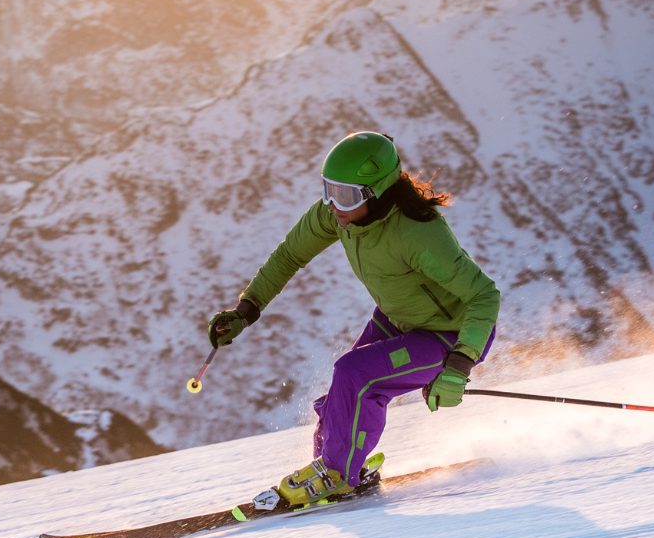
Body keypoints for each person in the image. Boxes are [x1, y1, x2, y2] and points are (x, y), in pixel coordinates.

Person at [207, 131, 500, 508]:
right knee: (340, 399)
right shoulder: (338, 216)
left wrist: (459, 364)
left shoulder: (419, 233)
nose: (332, 205)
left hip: (451, 334)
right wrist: (246, 310)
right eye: (328, 189)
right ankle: (336, 467)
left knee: (355, 373)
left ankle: (337, 473)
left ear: (376, 193)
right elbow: (288, 256)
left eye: (344, 196)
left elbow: (484, 295)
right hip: (400, 319)